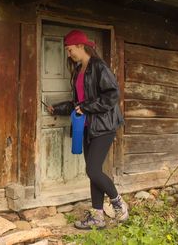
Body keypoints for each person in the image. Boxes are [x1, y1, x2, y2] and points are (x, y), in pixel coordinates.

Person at [46, 29, 128, 230]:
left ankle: (118, 203)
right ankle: (97, 217)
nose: (68, 53)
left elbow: (112, 95)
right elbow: (78, 103)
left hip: (104, 126)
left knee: (92, 169)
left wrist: (86, 107)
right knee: (94, 172)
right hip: (87, 127)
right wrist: (58, 108)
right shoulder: (78, 71)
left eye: (70, 49)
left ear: (81, 46)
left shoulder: (99, 67)